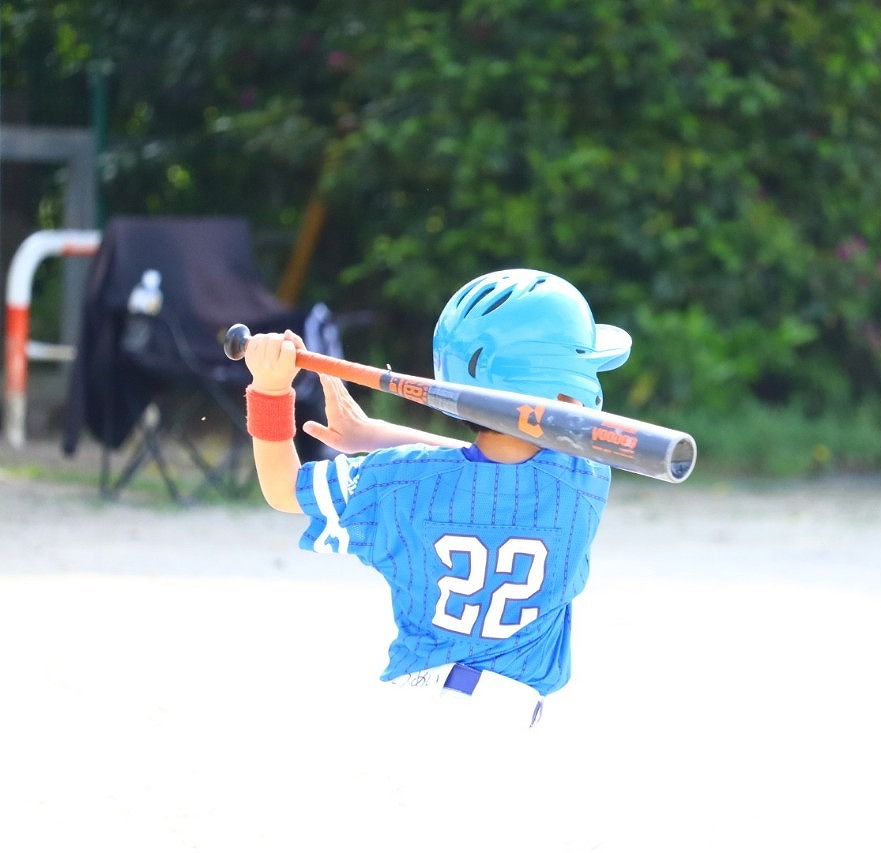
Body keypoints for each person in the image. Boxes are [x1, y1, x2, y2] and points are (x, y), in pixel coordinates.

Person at [239, 269, 632, 730]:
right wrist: (377, 436)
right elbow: (502, 471)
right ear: (565, 390)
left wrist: (270, 389)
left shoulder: (397, 481)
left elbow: (283, 488)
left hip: (407, 711)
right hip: (508, 719)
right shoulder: (585, 481)